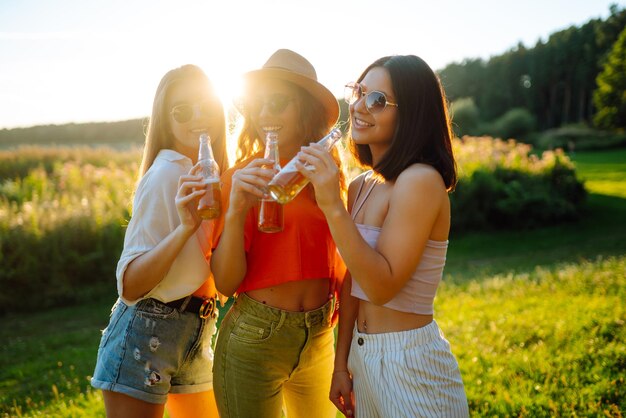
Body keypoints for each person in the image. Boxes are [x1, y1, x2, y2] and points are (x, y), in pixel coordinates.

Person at [297, 55, 469, 417]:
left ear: (412, 114)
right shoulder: (361, 185)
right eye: (359, 91)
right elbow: (352, 281)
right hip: (363, 357)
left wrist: (331, 204)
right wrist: (342, 364)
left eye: (377, 100)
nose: (359, 106)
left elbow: (381, 286)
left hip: (410, 362)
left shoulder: (420, 180)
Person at [210, 48, 345, 418]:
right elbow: (225, 283)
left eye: (278, 103)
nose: (265, 114)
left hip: (318, 336)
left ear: (306, 110)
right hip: (255, 338)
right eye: (260, 104)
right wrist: (237, 207)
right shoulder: (242, 177)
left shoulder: (328, 175)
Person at [91, 64, 228, 418]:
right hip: (147, 330)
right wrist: (185, 227)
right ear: (165, 120)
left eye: (205, 105)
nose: (198, 116)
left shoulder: (205, 172)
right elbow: (131, 284)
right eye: (182, 110)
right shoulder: (168, 172)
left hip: (197, 328)